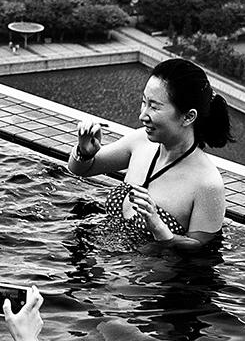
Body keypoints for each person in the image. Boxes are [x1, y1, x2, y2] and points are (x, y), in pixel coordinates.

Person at [66, 57, 230, 250]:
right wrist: (84, 152)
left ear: (188, 116)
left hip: (150, 268)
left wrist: (159, 229)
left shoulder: (207, 183)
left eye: (154, 106)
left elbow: (201, 248)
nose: (142, 115)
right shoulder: (140, 141)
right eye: (144, 102)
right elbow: (80, 170)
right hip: (106, 257)